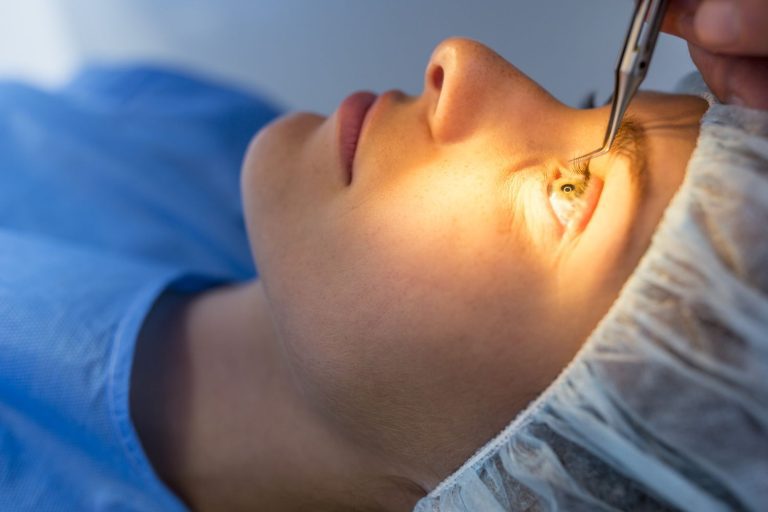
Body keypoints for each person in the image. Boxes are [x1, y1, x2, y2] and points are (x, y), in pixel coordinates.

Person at [0, 2, 765, 512]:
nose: (464, 62)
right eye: (589, 97)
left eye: (568, 193)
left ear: (539, 481)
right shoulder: (192, 141)